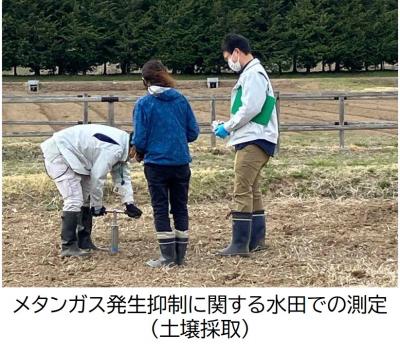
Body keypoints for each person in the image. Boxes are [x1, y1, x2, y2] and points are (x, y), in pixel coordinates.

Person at [214, 33, 279, 256]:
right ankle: (256, 240)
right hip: (258, 137)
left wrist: (228, 126)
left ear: (236, 52)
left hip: (254, 139)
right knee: (252, 189)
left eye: (227, 58)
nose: (228, 63)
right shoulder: (255, 73)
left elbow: (250, 108)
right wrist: (229, 125)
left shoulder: (253, 75)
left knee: (241, 188)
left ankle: (239, 244)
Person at [132, 59, 199, 268]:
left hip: (156, 164)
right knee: (180, 207)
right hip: (180, 162)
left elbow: (140, 139)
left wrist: (140, 152)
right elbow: (193, 132)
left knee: (160, 208)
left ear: (145, 80)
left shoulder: (144, 104)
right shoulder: (180, 100)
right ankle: (180, 255)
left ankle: (167, 256)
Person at [41, 124, 143, 257]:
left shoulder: (123, 146)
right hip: (60, 153)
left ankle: (84, 241)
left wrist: (129, 203)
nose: (139, 161)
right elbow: (98, 176)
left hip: (77, 157)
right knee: (74, 199)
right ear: (134, 147)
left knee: (85, 197)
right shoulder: (115, 149)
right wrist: (97, 206)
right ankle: (68, 246)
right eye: (140, 157)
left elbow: (122, 176)